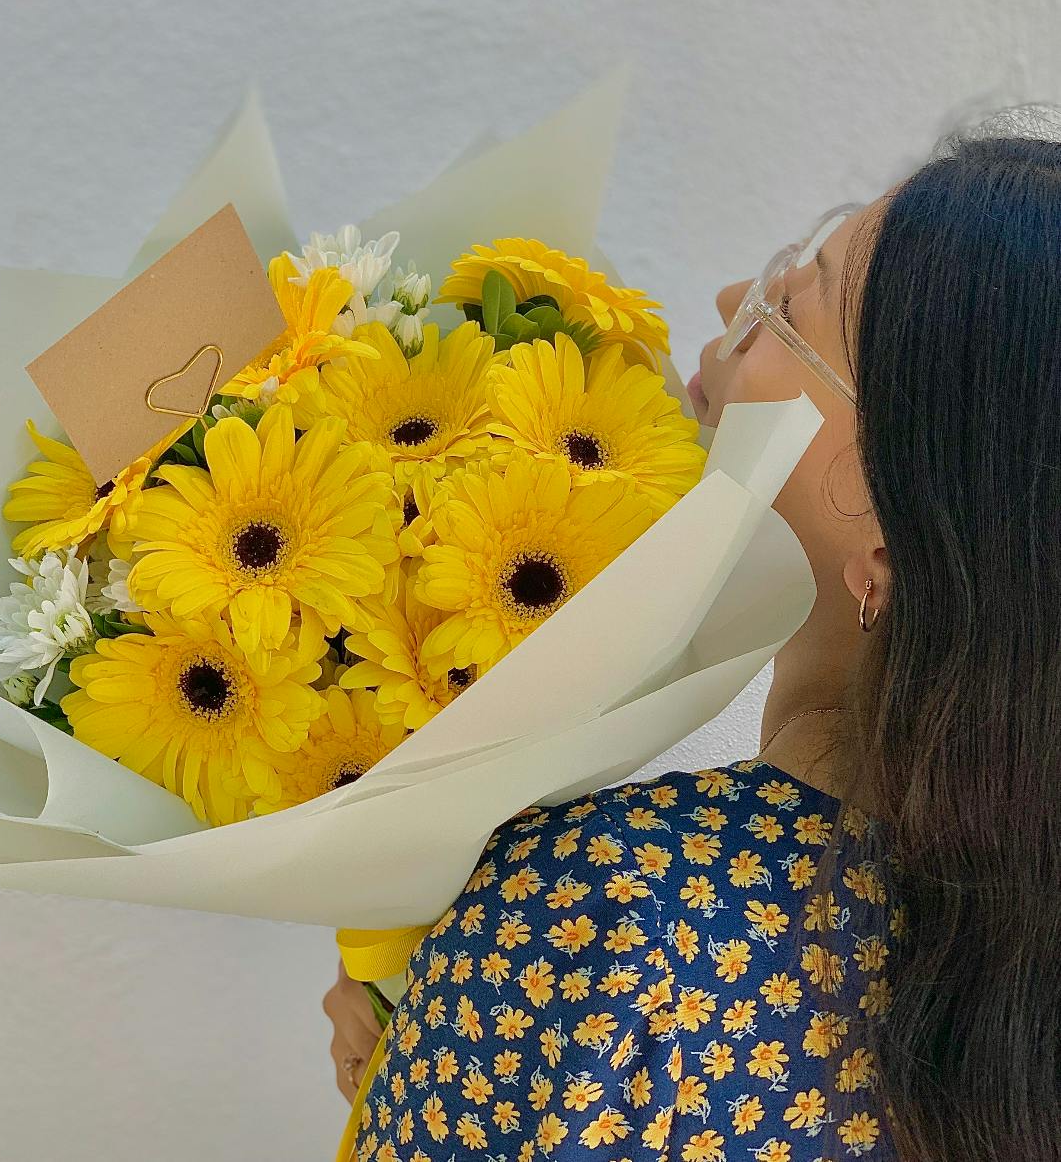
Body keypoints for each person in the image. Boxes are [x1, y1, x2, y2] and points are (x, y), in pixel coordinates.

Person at [324, 106, 1061, 1162]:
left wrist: (438, 1029)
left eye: (794, 307)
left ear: (889, 550)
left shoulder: (598, 919)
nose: (732, 303)